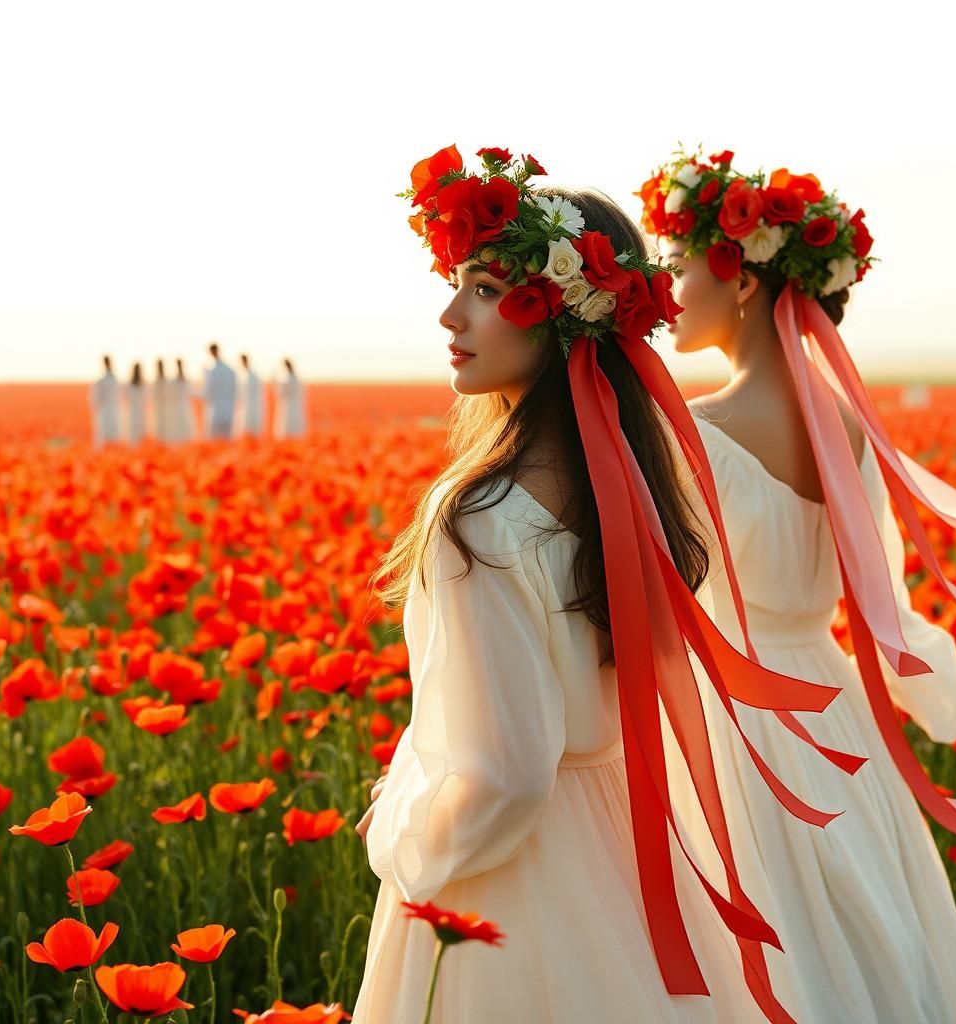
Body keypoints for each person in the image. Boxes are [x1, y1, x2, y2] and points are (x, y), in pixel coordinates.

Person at [353, 146, 851, 1024]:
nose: (448, 314)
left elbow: (504, 776)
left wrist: (399, 833)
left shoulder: (479, 516)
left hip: (507, 878)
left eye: (481, 288)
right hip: (626, 840)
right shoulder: (634, 486)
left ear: (558, 311)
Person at [640, 148, 956, 1023]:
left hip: (743, 715)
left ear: (744, 279)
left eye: (681, 265)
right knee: (877, 927)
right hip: (837, 707)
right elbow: (877, 586)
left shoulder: (693, 427)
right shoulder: (849, 428)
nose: (668, 286)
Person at [203, 341, 237, 439]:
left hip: (215, 413)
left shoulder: (211, 371)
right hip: (228, 411)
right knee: (227, 442)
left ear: (211, 352)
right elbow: (235, 393)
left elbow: (207, 393)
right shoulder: (230, 370)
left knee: (215, 442)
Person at [88, 354, 120, 447]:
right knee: (110, 432)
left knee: (105, 432)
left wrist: (95, 406)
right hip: (111, 409)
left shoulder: (103, 381)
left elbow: (94, 398)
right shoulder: (113, 380)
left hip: (106, 410)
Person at [277, 357, 305, 438]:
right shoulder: (296, 378)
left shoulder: (290, 378)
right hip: (294, 403)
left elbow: (283, 390)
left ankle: (291, 436)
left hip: (290, 403)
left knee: (288, 420)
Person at [239, 353, 264, 437]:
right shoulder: (244, 375)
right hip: (246, 405)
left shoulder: (253, 375)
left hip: (253, 405)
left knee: (252, 427)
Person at [126, 362, 146, 444]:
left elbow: (126, 397)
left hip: (132, 409)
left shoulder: (129, 385)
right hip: (140, 409)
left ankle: (134, 445)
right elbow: (146, 398)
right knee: (140, 428)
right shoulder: (143, 384)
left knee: (133, 429)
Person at [152, 358, 169, 441]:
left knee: (163, 425)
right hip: (162, 406)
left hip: (162, 406)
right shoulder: (163, 380)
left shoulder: (160, 380)